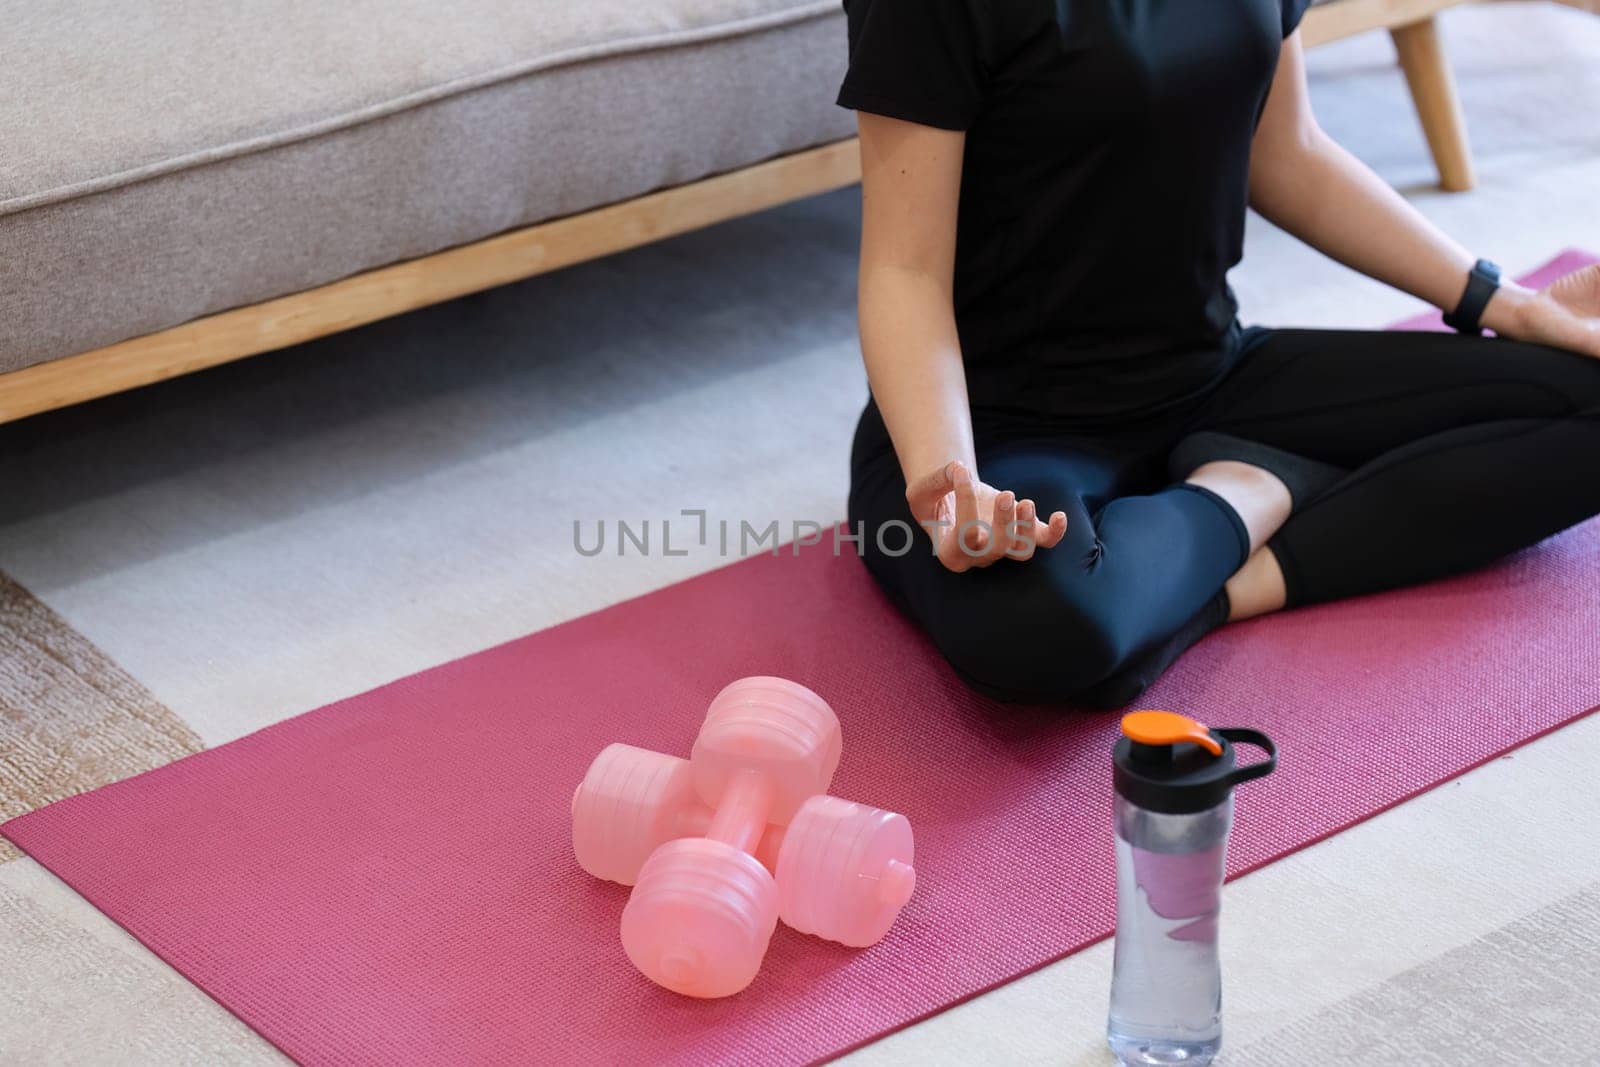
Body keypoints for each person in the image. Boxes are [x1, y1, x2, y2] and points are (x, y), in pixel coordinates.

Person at [839, 0, 1600, 707]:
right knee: (1045, 629)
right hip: (999, 424)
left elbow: (1291, 154)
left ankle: (1222, 571)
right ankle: (1251, 493)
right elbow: (903, 273)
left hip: (1211, 373)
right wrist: (952, 480)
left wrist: (1508, 303)